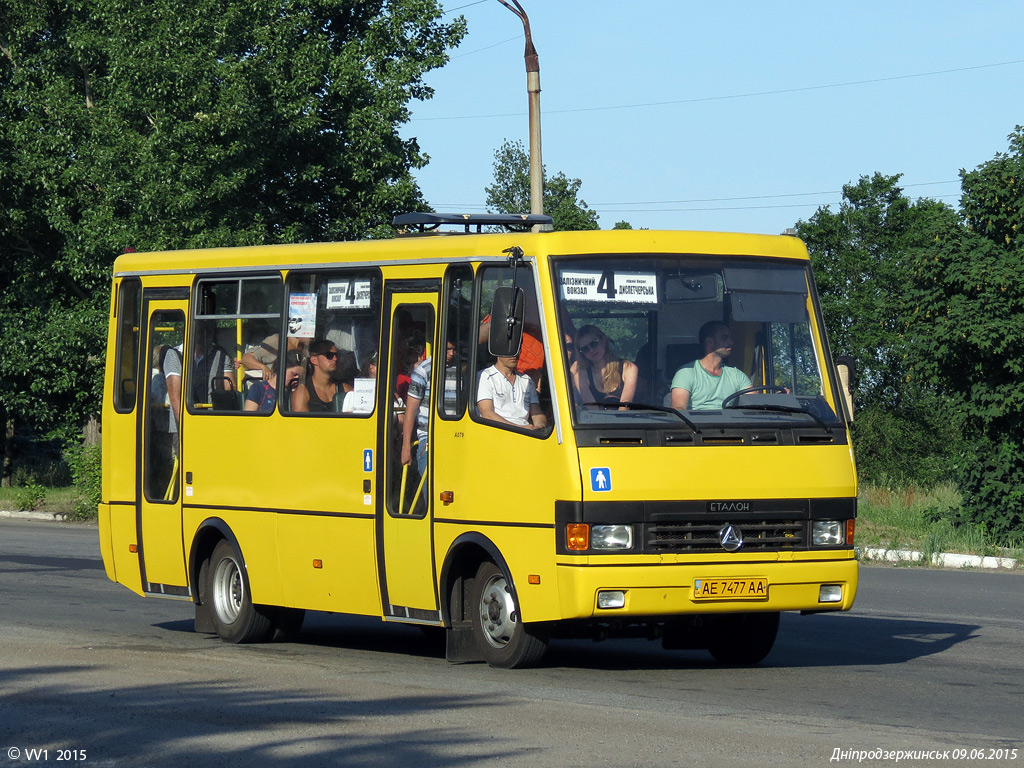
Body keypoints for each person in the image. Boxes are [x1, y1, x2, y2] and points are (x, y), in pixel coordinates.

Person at [670, 321, 752, 411]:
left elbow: (755, 404)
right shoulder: (686, 372)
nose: (731, 342)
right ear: (710, 342)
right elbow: (679, 410)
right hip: (695, 424)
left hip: (728, 424)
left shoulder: (736, 374)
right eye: (725, 338)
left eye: (730, 338)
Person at [571, 325, 639, 408]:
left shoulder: (628, 368)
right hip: (595, 420)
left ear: (603, 341)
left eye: (593, 344)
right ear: (581, 353)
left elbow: (625, 406)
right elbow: (593, 410)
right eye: (585, 349)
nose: (591, 350)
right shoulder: (581, 375)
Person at [477, 350, 547, 430]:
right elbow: (486, 413)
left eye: (517, 350)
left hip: (526, 434)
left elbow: (537, 413)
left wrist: (540, 426)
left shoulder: (527, 380)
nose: (514, 355)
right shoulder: (485, 376)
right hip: (496, 432)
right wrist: (520, 428)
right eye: (509, 350)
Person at [291, 339, 340, 412]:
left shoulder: (345, 389)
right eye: (329, 355)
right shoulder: (302, 393)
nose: (335, 359)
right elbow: (300, 422)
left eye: (336, 355)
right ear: (314, 360)